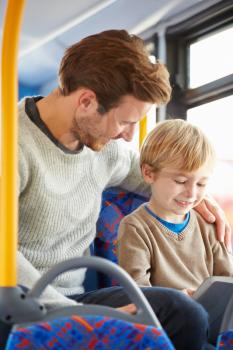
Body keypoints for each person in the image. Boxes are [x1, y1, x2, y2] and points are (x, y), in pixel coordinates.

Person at [10, 29, 230, 350]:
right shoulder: (11, 145)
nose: (129, 136)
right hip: (19, 303)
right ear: (87, 101)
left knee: (185, 313)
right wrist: (72, 313)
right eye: (125, 122)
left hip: (77, 295)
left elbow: (149, 174)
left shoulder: (103, 147)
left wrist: (197, 199)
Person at [117, 119, 233, 345]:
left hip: (217, 324)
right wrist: (179, 297)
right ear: (149, 173)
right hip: (171, 325)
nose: (191, 194)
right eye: (181, 181)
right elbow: (137, 294)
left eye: (201, 185)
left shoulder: (207, 223)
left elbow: (227, 279)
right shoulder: (135, 227)